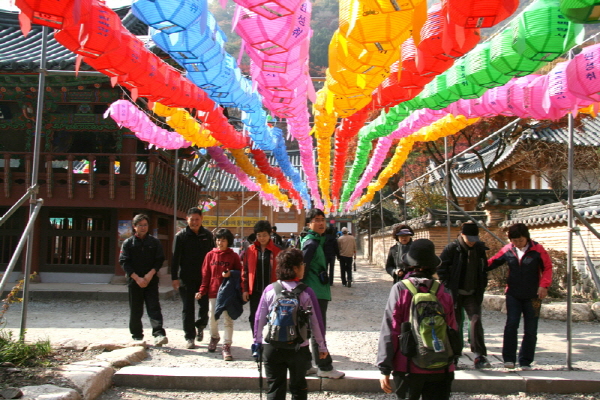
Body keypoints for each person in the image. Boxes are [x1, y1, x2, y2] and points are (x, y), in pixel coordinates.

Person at [377, 239, 456, 400]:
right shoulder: (443, 291)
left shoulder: (400, 289)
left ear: (408, 264)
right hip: (441, 365)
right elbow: (453, 328)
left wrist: (384, 367)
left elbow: (391, 328)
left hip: (407, 365)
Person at [253, 248, 329, 400]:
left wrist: (257, 343)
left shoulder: (270, 290)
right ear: (295, 268)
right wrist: (321, 346)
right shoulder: (307, 292)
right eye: (302, 264)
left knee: (274, 387)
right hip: (298, 348)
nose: (304, 266)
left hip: (272, 346)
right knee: (299, 387)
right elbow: (316, 323)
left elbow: (259, 319)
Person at [487, 223, 553, 370]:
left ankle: (525, 361)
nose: (517, 243)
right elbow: (492, 262)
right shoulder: (508, 249)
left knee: (530, 329)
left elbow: (547, 267)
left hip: (533, 295)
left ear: (527, 238)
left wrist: (544, 285)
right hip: (513, 294)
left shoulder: (538, 249)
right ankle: (509, 359)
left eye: (520, 240)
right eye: (514, 241)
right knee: (511, 324)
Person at [437, 222, 491, 369]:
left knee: (476, 320)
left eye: (475, 238)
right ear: (462, 235)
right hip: (454, 292)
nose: (472, 241)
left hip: (472, 293)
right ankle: (453, 355)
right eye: (469, 238)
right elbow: (441, 268)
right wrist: (447, 285)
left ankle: (479, 355)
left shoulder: (479, 249)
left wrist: (482, 285)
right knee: (455, 324)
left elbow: (484, 269)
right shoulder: (452, 248)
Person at [301, 208, 345, 379]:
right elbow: (302, 267)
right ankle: (324, 367)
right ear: (309, 223)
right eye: (316, 220)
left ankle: (306, 365)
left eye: (322, 219)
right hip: (314, 292)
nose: (321, 223)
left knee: (310, 330)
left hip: (316, 290)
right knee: (318, 329)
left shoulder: (315, 240)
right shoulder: (311, 243)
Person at [119, 214, 168, 346]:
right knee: (136, 309)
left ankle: (159, 334)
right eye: (140, 225)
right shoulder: (128, 243)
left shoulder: (154, 242)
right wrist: (136, 278)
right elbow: (124, 262)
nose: (143, 227)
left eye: (145, 225)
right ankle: (136, 335)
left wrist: (150, 274)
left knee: (154, 307)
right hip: (134, 280)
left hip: (150, 279)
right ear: (134, 227)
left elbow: (159, 260)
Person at [196, 228, 243, 361]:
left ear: (228, 242)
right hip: (213, 291)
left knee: (228, 320)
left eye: (223, 240)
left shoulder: (233, 256)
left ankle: (227, 345)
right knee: (212, 317)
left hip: (228, 293)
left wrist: (231, 274)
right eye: (218, 240)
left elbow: (240, 273)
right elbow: (206, 275)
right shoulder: (210, 255)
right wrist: (202, 290)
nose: (220, 242)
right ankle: (214, 337)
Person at [172, 207, 215, 349]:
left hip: (204, 278)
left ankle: (201, 325)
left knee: (204, 307)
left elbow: (213, 257)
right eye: (192, 219)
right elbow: (175, 258)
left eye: (197, 219)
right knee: (187, 308)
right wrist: (174, 277)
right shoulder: (181, 236)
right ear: (187, 219)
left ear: (201, 219)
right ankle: (189, 336)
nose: (195, 222)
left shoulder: (208, 235)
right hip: (186, 277)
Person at [242, 220, 281, 334]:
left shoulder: (278, 250)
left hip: (273, 291)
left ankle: (269, 341)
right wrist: (245, 289)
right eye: (259, 235)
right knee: (254, 317)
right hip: (255, 291)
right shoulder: (250, 250)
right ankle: (256, 340)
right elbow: (245, 270)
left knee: (272, 316)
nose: (262, 238)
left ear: (270, 235)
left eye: (264, 235)